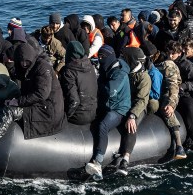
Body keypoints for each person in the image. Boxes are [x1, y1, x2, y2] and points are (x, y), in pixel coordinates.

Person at [0, 42, 65, 155]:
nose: (24, 64)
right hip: (41, 104)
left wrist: (18, 102)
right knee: (8, 101)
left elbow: (42, 94)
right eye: (21, 62)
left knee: (10, 111)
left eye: (26, 62)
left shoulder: (43, 68)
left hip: (47, 111)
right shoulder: (29, 68)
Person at [84, 45, 131, 180]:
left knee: (103, 125)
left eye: (102, 57)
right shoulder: (108, 69)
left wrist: (97, 83)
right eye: (99, 57)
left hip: (119, 109)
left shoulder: (120, 73)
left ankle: (98, 161)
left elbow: (111, 91)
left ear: (110, 57)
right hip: (107, 105)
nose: (100, 60)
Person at [165, 40, 193, 151]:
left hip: (183, 93)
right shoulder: (165, 61)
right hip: (167, 92)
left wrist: (184, 86)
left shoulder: (187, 65)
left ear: (179, 53)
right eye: (168, 53)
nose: (170, 56)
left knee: (189, 107)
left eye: (173, 53)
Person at [115, 46, 152, 175]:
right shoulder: (125, 72)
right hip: (125, 104)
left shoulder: (144, 77)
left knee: (131, 126)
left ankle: (126, 158)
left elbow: (142, 100)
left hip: (138, 107)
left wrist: (132, 115)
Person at [152, 48, 187, 160]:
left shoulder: (167, 65)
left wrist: (171, 104)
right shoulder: (153, 64)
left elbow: (173, 87)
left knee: (166, 110)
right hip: (157, 91)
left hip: (169, 92)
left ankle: (179, 145)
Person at [60, 41, 98, 125]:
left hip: (79, 116)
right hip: (93, 112)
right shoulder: (90, 66)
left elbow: (74, 101)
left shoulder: (69, 71)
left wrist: (66, 117)